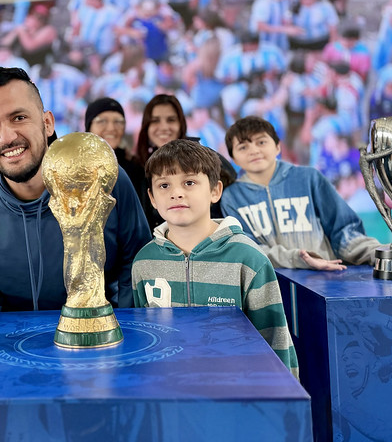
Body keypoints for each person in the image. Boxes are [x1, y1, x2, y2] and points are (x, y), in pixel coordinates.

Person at [0, 67, 151, 332]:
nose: (7, 137)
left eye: (18, 117)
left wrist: (123, 325)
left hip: (105, 341)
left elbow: (138, 261)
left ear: (47, 123)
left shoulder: (104, 178)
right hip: (17, 349)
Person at [131, 139, 298, 377]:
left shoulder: (248, 259)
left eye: (189, 182)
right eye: (164, 185)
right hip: (170, 389)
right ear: (152, 197)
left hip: (237, 395)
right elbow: (147, 338)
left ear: (215, 191)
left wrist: (284, 406)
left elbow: (276, 341)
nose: (176, 193)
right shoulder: (143, 262)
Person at [220, 116, 382, 270]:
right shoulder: (231, 197)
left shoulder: (309, 178)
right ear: (233, 158)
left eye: (261, 142)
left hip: (326, 280)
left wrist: (378, 253)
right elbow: (245, 249)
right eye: (243, 147)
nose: (254, 151)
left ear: (278, 147)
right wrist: (298, 257)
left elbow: (344, 231)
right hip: (271, 286)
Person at [135, 94, 236, 228]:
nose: (164, 127)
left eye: (171, 120)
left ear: (181, 124)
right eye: (155, 121)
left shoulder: (204, 158)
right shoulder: (139, 167)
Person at [84, 97, 146, 207]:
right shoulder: (77, 167)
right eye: (102, 121)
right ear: (89, 127)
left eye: (118, 122)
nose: (111, 128)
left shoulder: (136, 167)